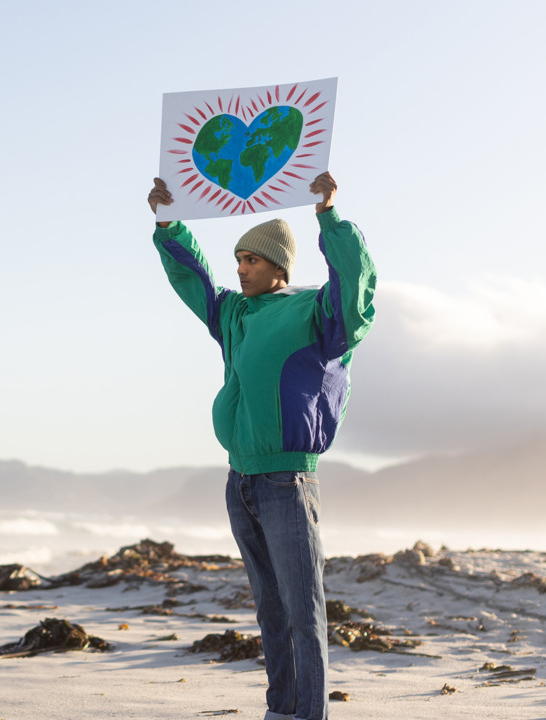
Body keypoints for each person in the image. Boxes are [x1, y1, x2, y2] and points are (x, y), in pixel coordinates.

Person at [147, 173, 375, 720]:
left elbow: (356, 289)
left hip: (286, 481)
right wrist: (167, 223)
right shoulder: (233, 315)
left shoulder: (313, 314)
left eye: (252, 260)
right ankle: (281, 710)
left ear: (278, 267)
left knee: (304, 611)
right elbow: (192, 278)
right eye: (239, 260)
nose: (241, 268)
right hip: (241, 481)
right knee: (270, 612)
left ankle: (310, 714)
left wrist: (330, 216)